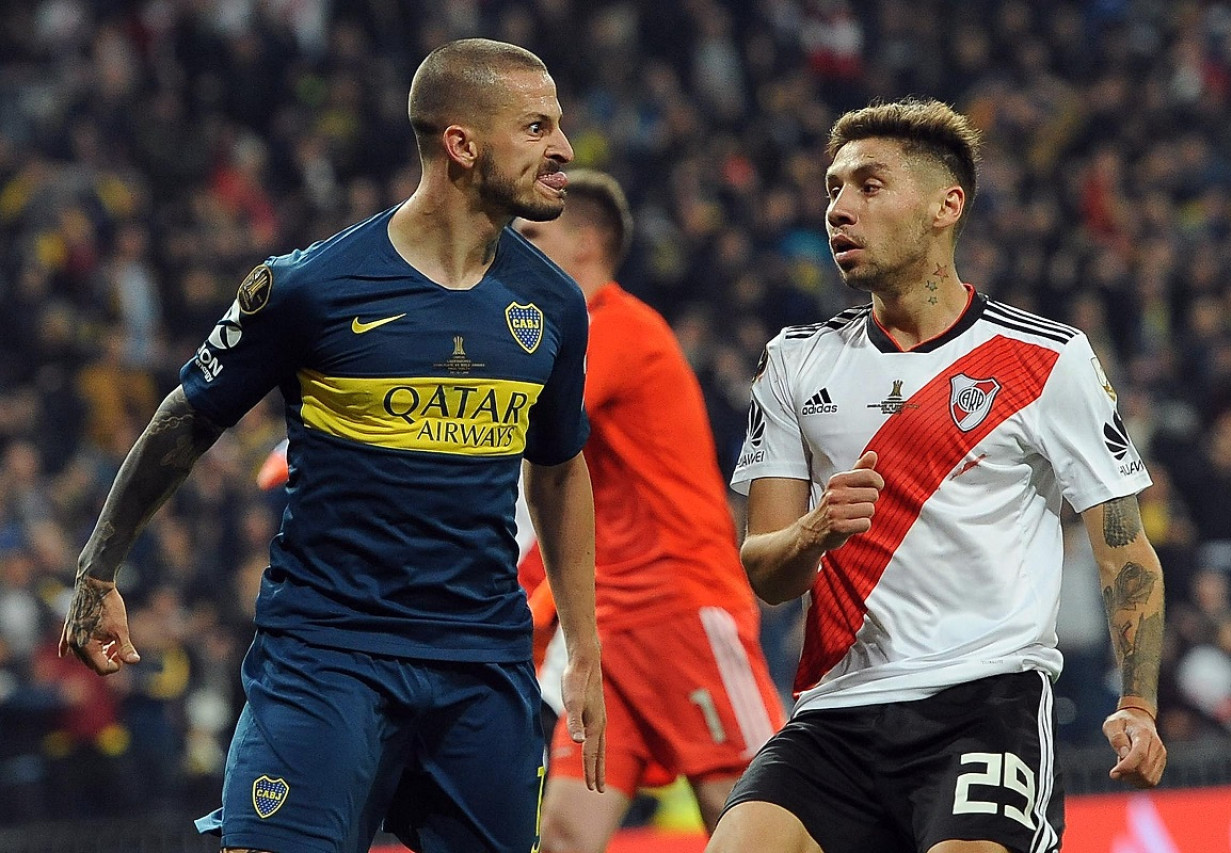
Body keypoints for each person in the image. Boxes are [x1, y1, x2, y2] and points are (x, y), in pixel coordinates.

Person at [59, 38, 605, 853]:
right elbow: (187, 417)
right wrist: (98, 569)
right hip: (328, 655)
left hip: (480, 665)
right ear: (461, 144)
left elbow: (558, 471)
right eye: (536, 128)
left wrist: (585, 650)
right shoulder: (310, 287)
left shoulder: (553, 304)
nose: (564, 149)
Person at [707, 98, 1167, 853]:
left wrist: (1140, 704)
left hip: (985, 705)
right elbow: (764, 569)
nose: (839, 209)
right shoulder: (793, 360)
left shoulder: (1048, 360)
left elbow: (1124, 548)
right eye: (832, 189)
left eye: (869, 185)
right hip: (835, 712)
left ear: (945, 206)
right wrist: (817, 529)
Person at [515, 170, 785, 851]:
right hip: (605, 627)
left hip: (680, 605)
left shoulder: (616, 327)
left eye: (530, 235)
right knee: (566, 835)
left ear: (587, 243)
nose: (511, 250)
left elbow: (534, 416)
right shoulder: (572, 332)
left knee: (750, 814)